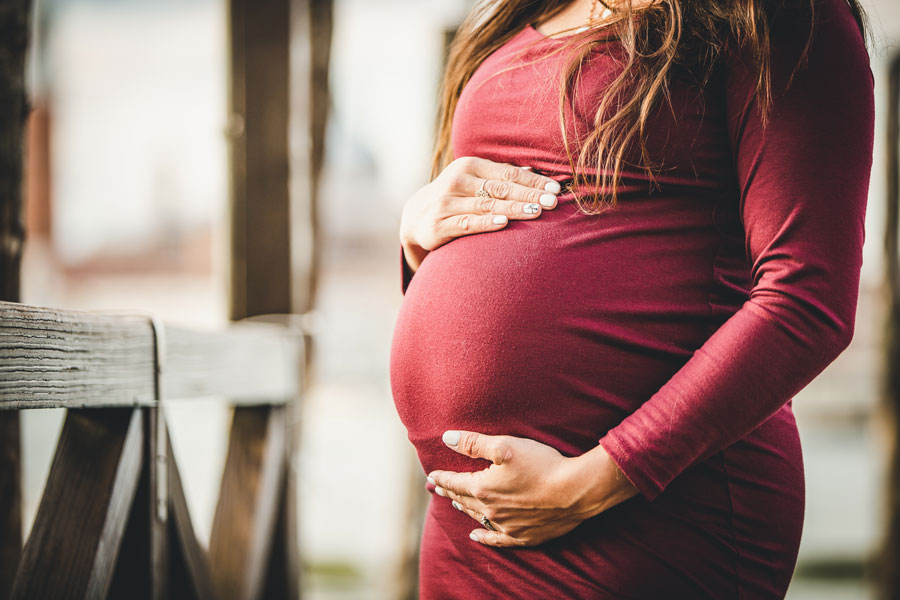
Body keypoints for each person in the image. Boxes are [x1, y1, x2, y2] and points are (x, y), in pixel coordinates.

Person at [389, 0, 874, 596]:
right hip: (473, 521)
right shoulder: (523, 12)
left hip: (650, 509)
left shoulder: (779, 15)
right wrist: (416, 236)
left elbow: (808, 298)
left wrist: (588, 484)